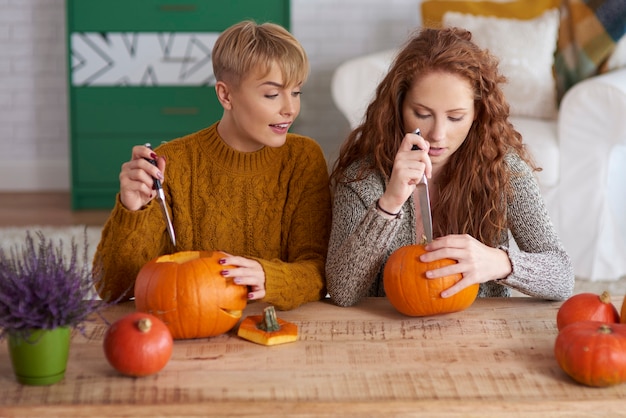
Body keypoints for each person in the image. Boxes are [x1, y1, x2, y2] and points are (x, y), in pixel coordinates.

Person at [326, 27, 574, 307]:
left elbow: (562, 277)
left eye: (455, 117)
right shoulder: (362, 179)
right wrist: (389, 204)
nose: (438, 135)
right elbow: (341, 292)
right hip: (389, 332)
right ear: (397, 107)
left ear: (477, 113)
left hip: (478, 334)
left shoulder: (503, 171)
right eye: (422, 114)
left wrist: (499, 262)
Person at [94, 20, 331, 310]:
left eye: (296, 92)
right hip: (194, 335)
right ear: (226, 95)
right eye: (272, 94)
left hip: (273, 329)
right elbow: (112, 288)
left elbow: (319, 271)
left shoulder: (303, 159)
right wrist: (133, 210)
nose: (290, 108)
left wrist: (270, 278)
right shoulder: (173, 164)